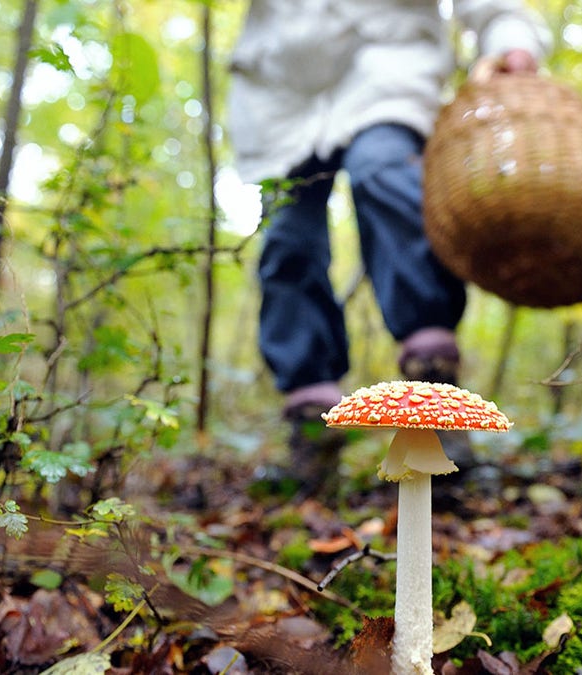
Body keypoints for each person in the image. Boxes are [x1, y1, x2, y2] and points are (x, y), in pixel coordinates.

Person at [228, 1, 551, 496]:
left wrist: (512, 41)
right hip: (282, 100)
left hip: (389, 71)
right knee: (288, 240)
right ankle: (311, 427)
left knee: (382, 172)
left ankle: (435, 396)